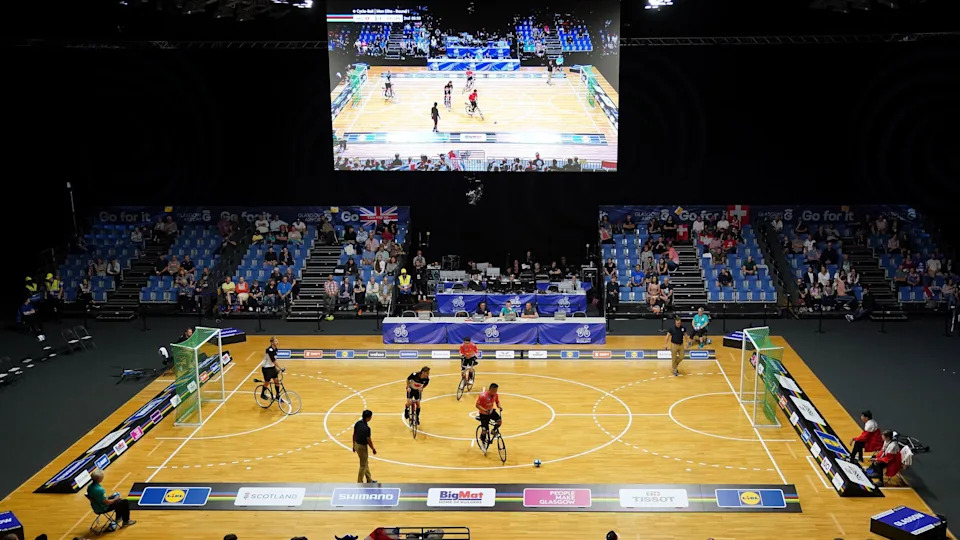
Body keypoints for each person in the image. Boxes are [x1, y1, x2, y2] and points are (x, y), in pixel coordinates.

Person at [353, 409, 377, 483]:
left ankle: (369, 479)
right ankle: (359, 482)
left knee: (365, 462)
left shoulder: (357, 423)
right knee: (363, 465)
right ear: (368, 418)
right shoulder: (367, 429)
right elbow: (369, 441)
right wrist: (373, 449)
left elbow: (354, 434)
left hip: (356, 445)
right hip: (362, 447)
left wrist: (353, 445)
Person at [260, 337, 283, 402]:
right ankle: (262, 394)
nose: (277, 342)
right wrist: (280, 368)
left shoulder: (276, 349)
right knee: (267, 382)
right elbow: (273, 360)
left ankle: (277, 396)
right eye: (275, 341)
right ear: (272, 342)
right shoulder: (269, 350)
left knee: (276, 381)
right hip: (266, 368)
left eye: (277, 341)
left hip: (272, 367)